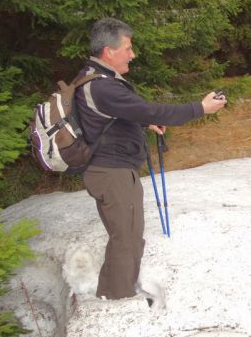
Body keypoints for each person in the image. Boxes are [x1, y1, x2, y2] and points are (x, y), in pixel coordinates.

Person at [74, 17, 227, 300]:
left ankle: (111, 292)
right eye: (128, 48)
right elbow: (149, 109)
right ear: (109, 51)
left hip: (112, 170)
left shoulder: (96, 78)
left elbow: (113, 118)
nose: (133, 54)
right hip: (113, 173)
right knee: (127, 239)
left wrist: (143, 124)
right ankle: (118, 298)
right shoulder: (102, 86)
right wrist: (200, 108)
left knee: (125, 236)